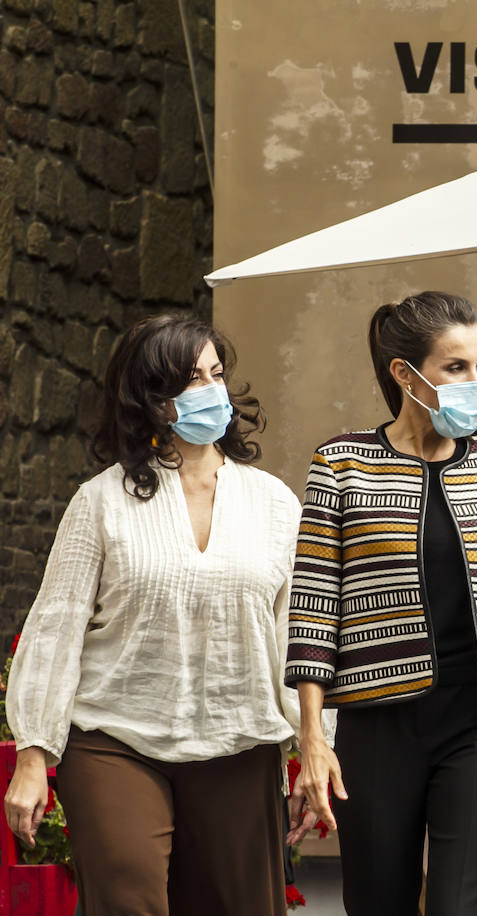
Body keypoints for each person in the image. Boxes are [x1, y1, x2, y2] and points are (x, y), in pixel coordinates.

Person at [3, 314, 301, 915]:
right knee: (127, 897)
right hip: (116, 739)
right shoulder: (101, 502)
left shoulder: (273, 504)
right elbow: (56, 627)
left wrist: (312, 749)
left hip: (238, 743)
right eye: (191, 381)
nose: (212, 392)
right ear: (151, 399)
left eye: (217, 375)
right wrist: (34, 754)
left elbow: (296, 636)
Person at [286, 291, 477, 916]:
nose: (475, 381)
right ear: (405, 375)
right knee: (377, 902)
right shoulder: (341, 464)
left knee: (462, 907)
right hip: (378, 728)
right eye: (456, 367)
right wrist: (313, 739)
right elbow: (312, 612)